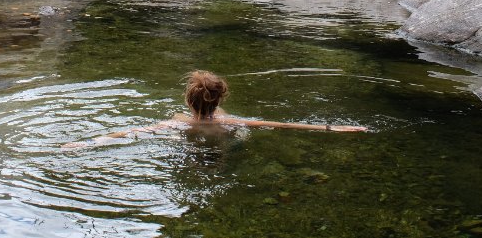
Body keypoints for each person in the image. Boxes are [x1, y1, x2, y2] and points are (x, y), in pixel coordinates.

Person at [64, 70, 366, 148]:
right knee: (235, 142)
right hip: (221, 140)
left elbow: (131, 132)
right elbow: (284, 125)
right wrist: (333, 128)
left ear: (188, 100)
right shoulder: (228, 121)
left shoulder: (177, 122)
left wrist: (88, 141)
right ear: (220, 99)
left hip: (187, 140)